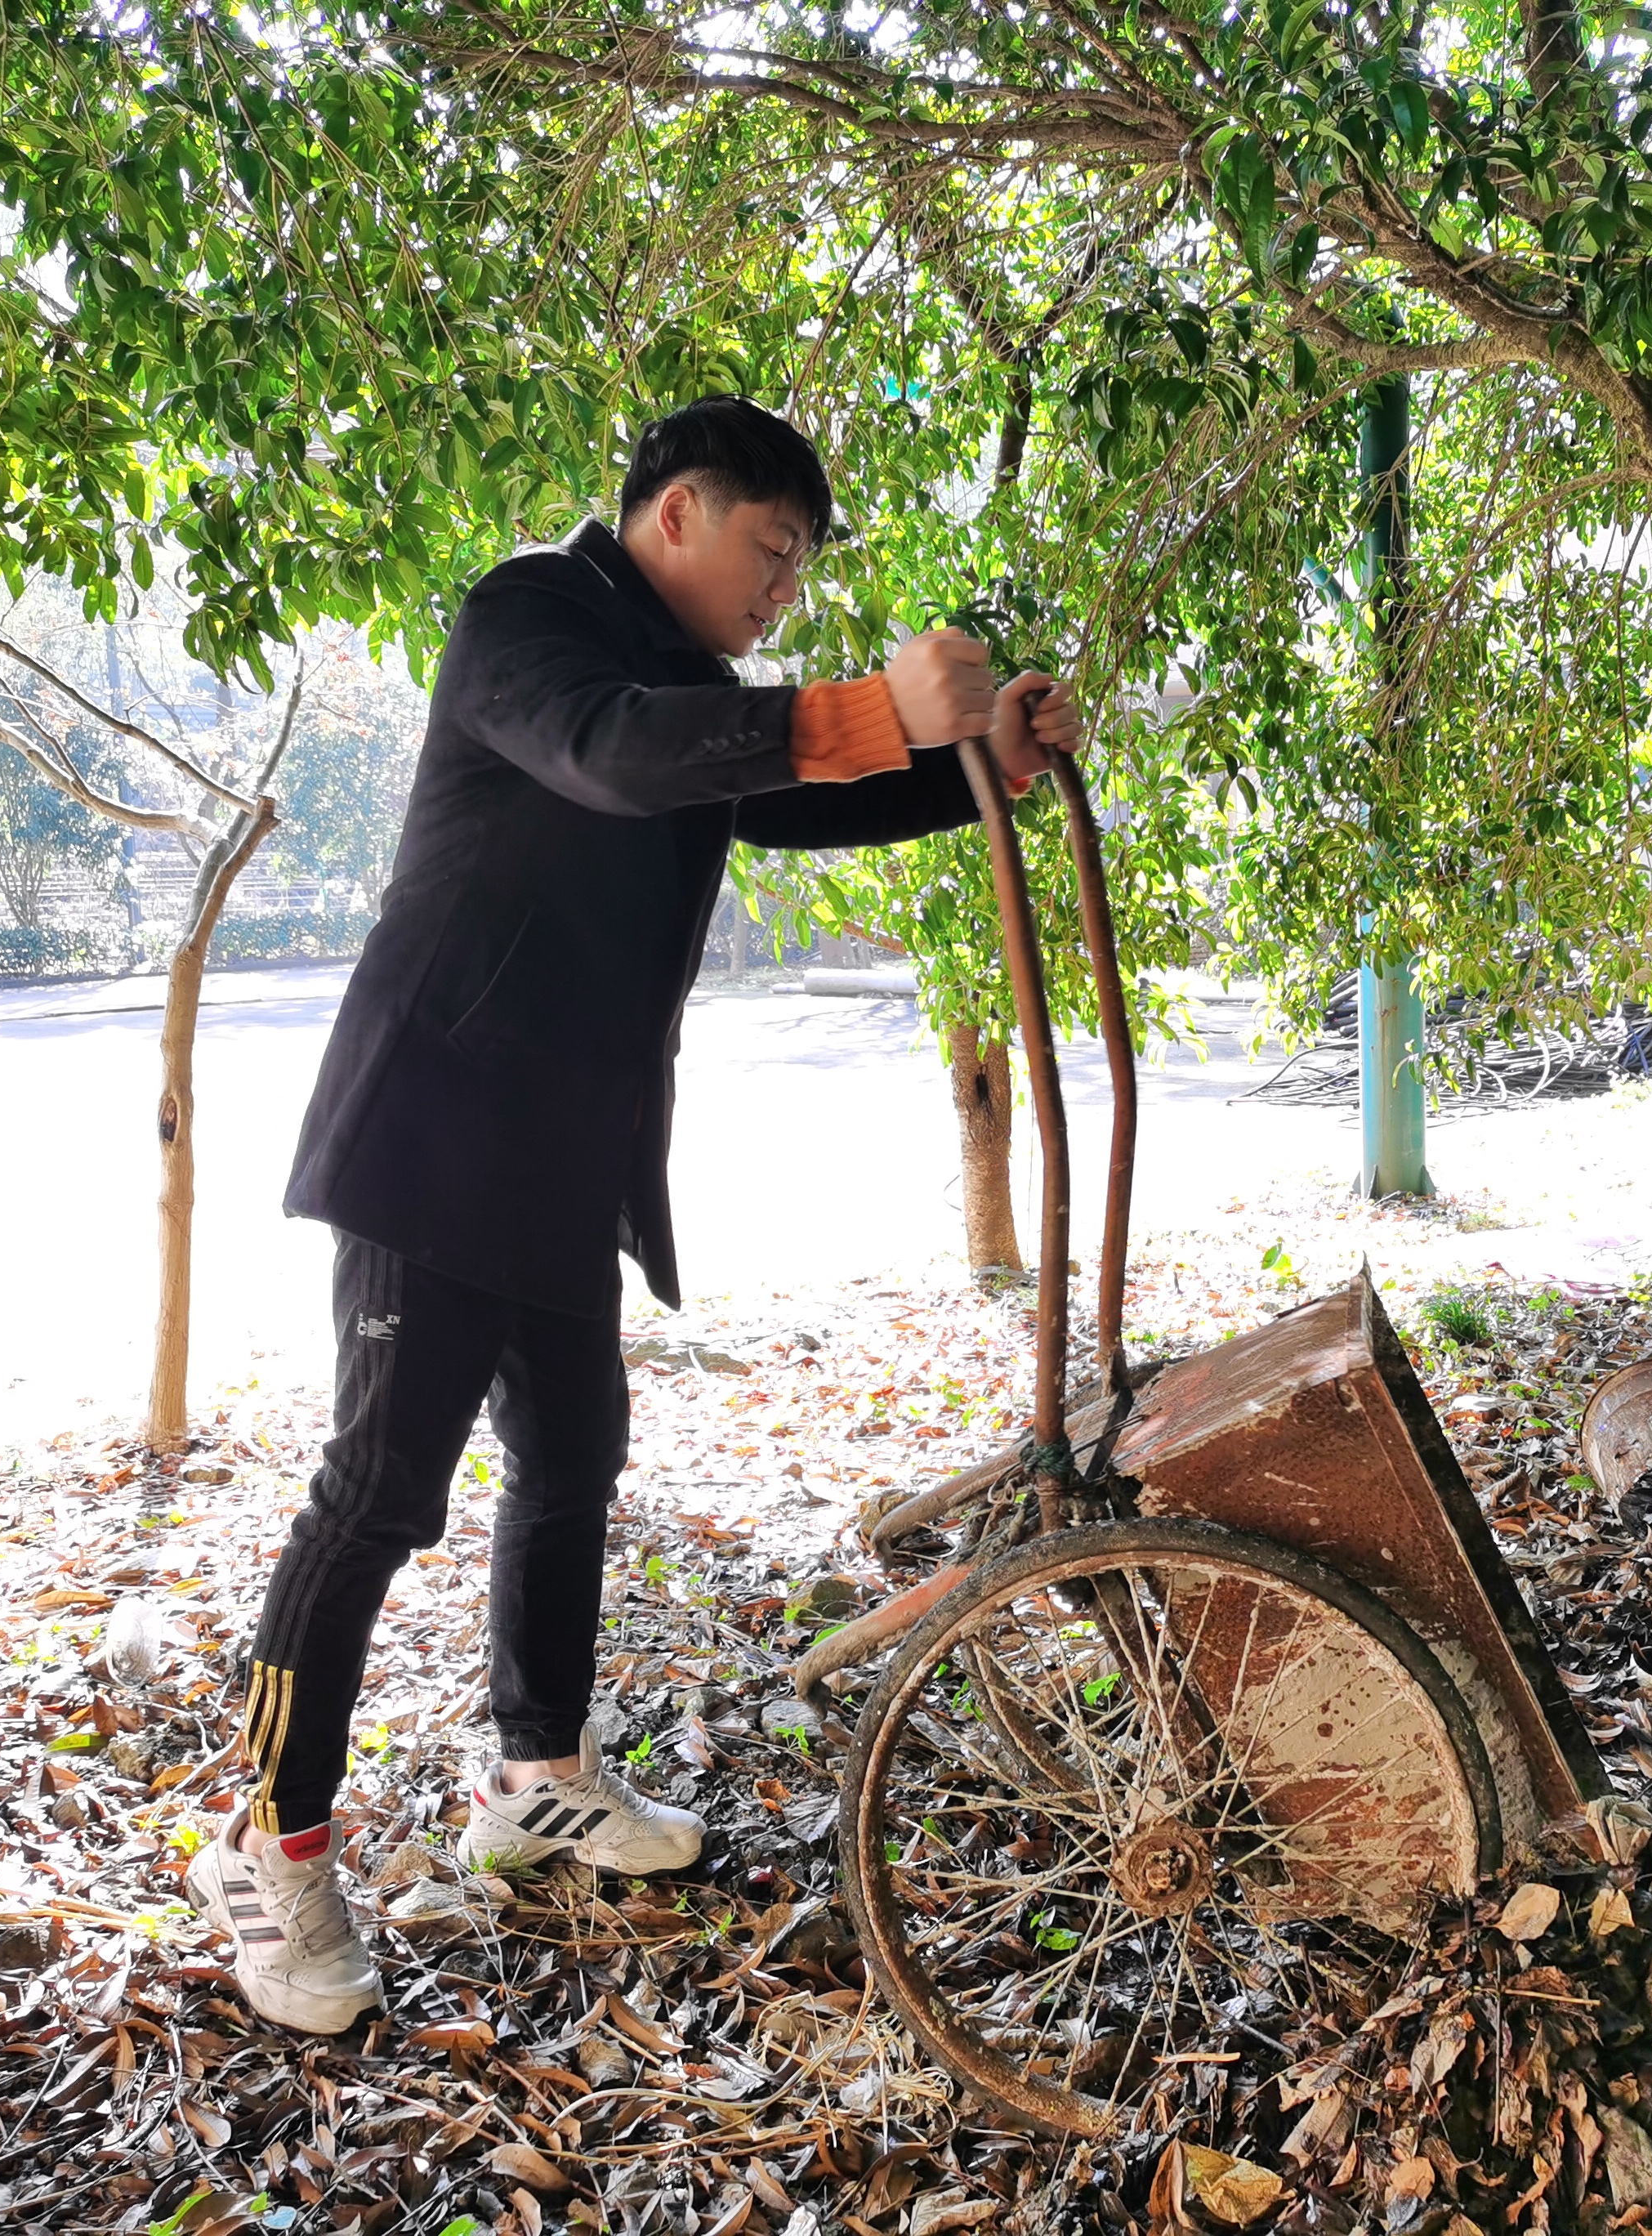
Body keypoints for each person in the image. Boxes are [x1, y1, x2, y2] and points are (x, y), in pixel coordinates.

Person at [188, 396, 1083, 2033]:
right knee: (378, 1495)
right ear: (677, 513)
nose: (784, 594)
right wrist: (869, 708)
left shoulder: (697, 693)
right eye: (772, 552)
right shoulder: (527, 617)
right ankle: (269, 1839)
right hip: (428, 1143)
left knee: (572, 1458)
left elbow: (784, 790)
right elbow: (611, 753)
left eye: (800, 569)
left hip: (561, 1158)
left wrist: (980, 768)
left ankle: (538, 1776)